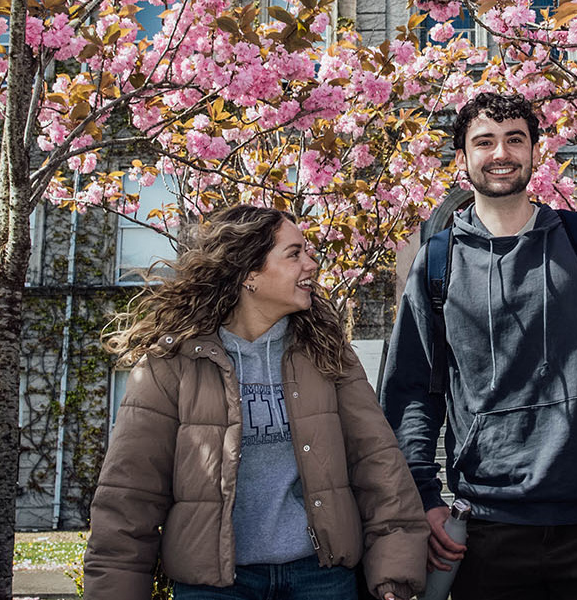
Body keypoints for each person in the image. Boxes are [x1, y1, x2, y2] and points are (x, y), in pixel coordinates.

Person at [379, 92, 577, 600]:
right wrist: (423, 495)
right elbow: (411, 392)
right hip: (486, 523)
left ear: (535, 152)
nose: (500, 152)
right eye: (484, 142)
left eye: (514, 139)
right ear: (463, 159)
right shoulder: (437, 263)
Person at [85, 205, 428, 600]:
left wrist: (394, 570)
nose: (312, 265)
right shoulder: (173, 364)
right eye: (294, 253)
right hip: (215, 586)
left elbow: (378, 464)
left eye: (309, 252)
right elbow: (129, 493)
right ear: (249, 273)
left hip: (319, 579)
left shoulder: (328, 354)